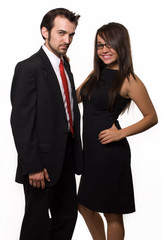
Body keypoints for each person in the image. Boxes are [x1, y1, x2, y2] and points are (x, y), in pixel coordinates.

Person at [76, 22, 158, 240]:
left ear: (121, 45)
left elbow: (152, 117)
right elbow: (75, 98)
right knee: (84, 206)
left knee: (112, 213)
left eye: (109, 44)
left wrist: (121, 133)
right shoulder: (96, 73)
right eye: (99, 45)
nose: (104, 50)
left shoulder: (129, 79)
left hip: (110, 154)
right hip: (91, 153)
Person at [10, 8, 83, 240]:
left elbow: (65, 108)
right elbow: (21, 122)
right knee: (36, 226)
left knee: (67, 217)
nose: (67, 40)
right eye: (61, 33)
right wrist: (32, 165)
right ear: (45, 32)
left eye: (71, 35)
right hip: (40, 165)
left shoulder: (65, 65)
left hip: (66, 160)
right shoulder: (28, 68)